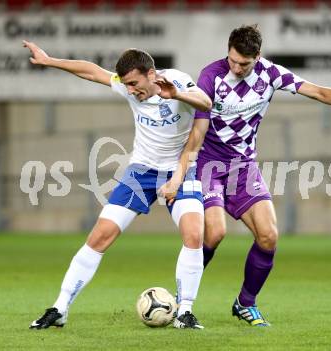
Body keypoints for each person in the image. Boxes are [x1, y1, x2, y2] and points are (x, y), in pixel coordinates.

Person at [159, 24, 331, 327]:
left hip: (244, 167)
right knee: (215, 232)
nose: (236, 68)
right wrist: (181, 173)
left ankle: (245, 302)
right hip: (208, 165)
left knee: (269, 235)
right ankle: (183, 299)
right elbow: (198, 130)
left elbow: (316, 90)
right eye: (233, 60)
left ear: (258, 57)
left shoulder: (271, 74)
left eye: (244, 63)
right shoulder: (211, 76)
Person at [23, 40, 212, 330]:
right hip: (140, 172)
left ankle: (185, 312)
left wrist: (179, 95)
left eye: (135, 83)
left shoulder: (176, 81)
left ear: (151, 74)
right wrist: (50, 61)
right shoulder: (128, 86)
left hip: (181, 169)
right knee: (100, 236)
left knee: (194, 234)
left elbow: (206, 103)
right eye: (126, 84)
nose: (131, 90)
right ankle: (60, 308)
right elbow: (92, 71)